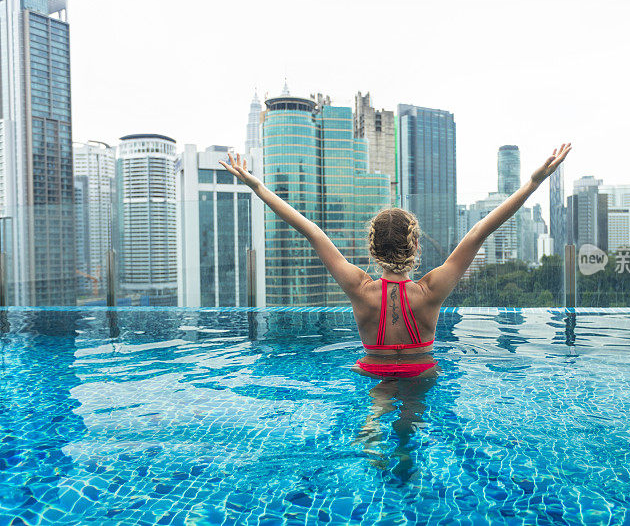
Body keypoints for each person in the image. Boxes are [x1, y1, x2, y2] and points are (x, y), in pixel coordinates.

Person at [219, 143, 571, 380]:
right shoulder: (431, 290)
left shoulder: (359, 289)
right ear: (415, 243)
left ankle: (372, 431)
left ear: (371, 248)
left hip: (372, 372)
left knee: (377, 410)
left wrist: (257, 187)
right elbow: (479, 231)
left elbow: (311, 231)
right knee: (411, 429)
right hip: (421, 373)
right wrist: (532, 184)